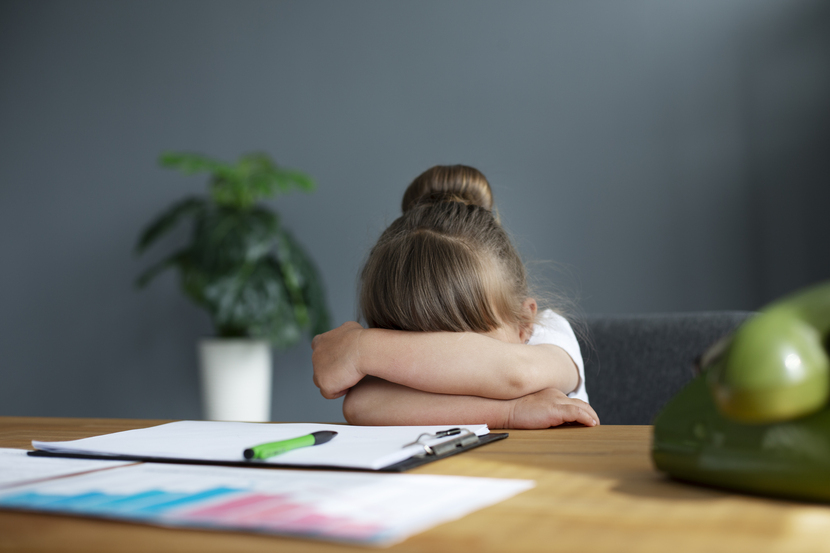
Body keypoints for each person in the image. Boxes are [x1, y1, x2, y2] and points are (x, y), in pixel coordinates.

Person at [312, 165, 599, 429]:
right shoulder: (385, 362)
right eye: (410, 341)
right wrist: (511, 412)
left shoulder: (549, 335)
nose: (442, 364)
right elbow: (362, 405)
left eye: (467, 343)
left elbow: (515, 372)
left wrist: (363, 348)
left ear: (524, 321)